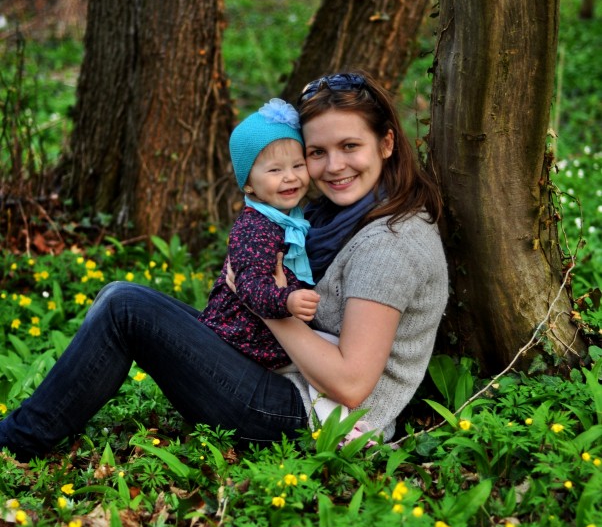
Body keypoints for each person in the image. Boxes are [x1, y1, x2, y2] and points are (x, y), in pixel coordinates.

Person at [0, 70, 448, 463]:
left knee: (126, 307)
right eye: (317, 152)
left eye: (350, 146)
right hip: (288, 379)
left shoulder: (391, 244)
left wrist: (261, 306)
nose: (334, 167)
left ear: (387, 142)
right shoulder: (330, 216)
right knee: (122, 301)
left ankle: (16, 439)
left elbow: (351, 384)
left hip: (314, 418)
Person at [199, 97, 320, 370]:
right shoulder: (254, 227)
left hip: (269, 338)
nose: (289, 176)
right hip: (241, 340)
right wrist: (286, 299)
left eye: (297, 166)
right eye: (275, 170)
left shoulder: (293, 219)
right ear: (249, 185)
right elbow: (250, 285)